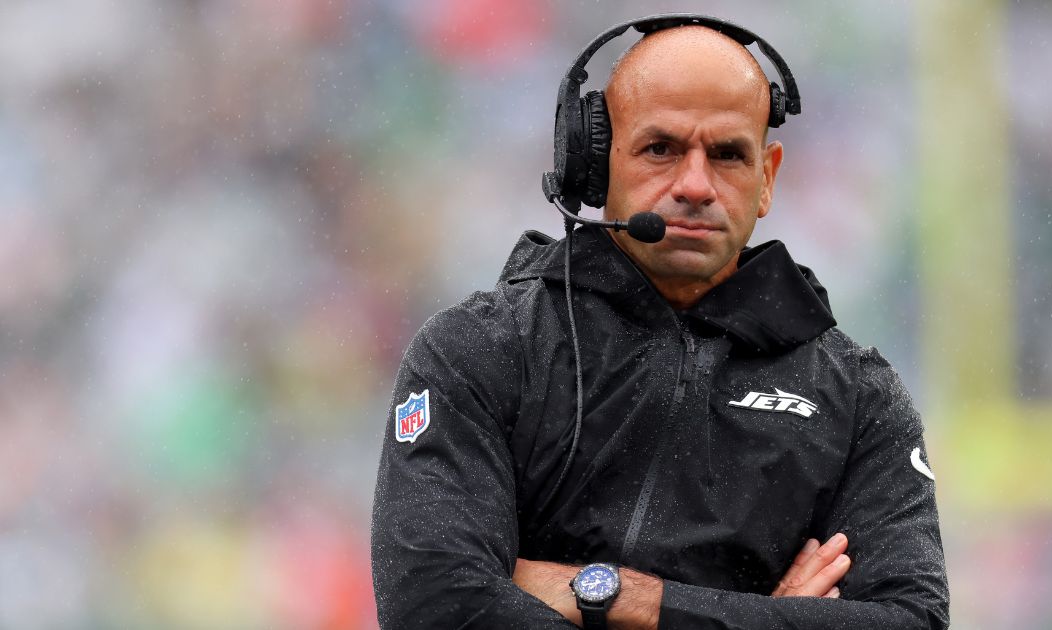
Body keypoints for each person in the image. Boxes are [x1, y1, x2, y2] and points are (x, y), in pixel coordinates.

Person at [372, 15, 949, 629]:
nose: (695, 185)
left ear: (767, 179)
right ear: (594, 164)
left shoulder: (859, 399)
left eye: (728, 154)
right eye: (661, 149)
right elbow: (435, 606)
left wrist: (618, 597)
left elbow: (910, 621)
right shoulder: (479, 351)